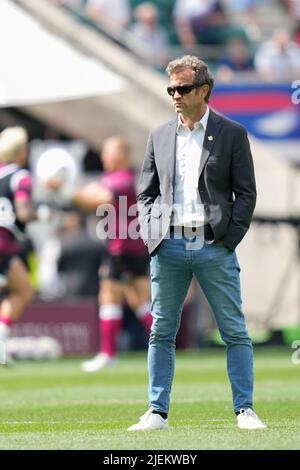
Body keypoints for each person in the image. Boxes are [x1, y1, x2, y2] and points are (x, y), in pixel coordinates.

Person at [128, 55, 266, 431]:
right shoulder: (158, 134)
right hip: (169, 246)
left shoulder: (231, 132)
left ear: (204, 90)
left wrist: (227, 239)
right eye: (171, 88)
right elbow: (145, 194)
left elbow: (247, 194)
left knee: (234, 330)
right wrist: (152, 235)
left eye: (183, 88)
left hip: (213, 245)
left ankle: (245, 410)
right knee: (161, 331)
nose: (175, 95)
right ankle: (157, 412)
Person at [47, 136, 152, 371]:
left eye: (108, 152)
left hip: (123, 247)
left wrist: (63, 189)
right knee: (138, 300)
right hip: (129, 246)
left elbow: (97, 200)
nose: (104, 156)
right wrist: (69, 191)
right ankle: (165, 344)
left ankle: (108, 354)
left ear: (121, 155)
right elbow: (89, 194)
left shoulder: (123, 180)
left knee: (109, 295)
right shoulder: (113, 178)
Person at [0, 127, 35, 364]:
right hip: (4, 243)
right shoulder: (21, 176)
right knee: (23, 290)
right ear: (21, 151)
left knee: (21, 288)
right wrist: (41, 214)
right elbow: (23, 212)